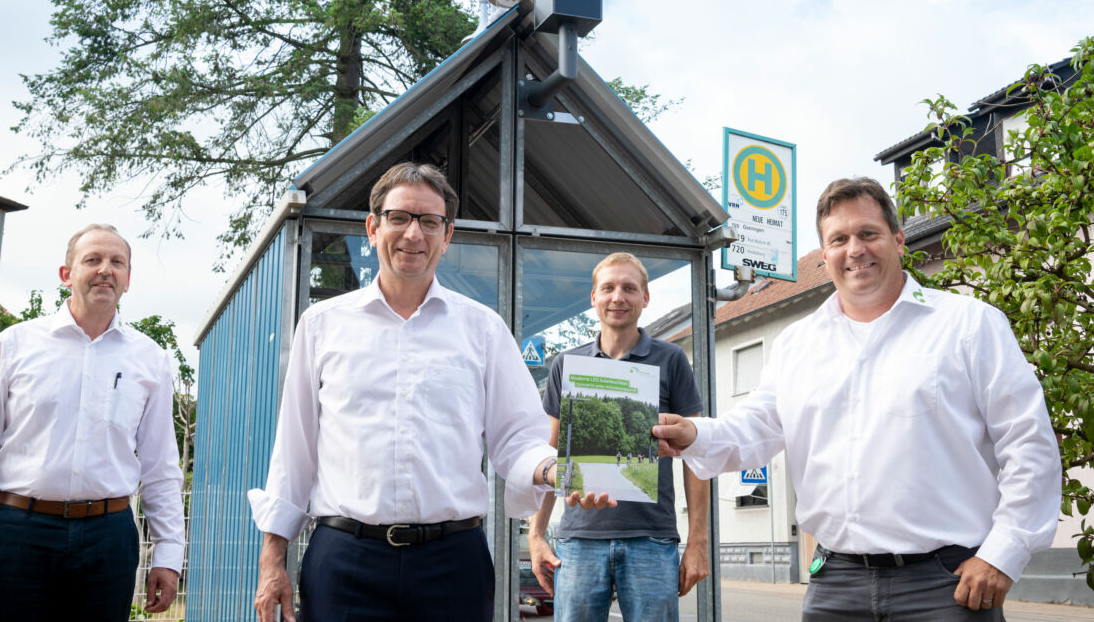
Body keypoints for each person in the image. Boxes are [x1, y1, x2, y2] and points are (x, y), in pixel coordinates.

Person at [653, 178, 1062, 621]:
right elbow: (757, 426)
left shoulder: (969, 325)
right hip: (835, 586)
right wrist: (693, 433)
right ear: (825, 253)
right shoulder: (798, 343)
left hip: (945, 584)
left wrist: (1004, 552)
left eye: (868, 233)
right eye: (839, 239)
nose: (855, 249)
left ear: (898, 239)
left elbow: (1029, 443)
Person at [249, 162, 610, 622]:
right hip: (345, 561)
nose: (413, 234)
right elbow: (294, 452)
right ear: (373, 227)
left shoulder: (483, 330)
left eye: (429, 222)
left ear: (447, 235)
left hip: (452, 566)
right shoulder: (322, 326)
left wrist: (551, 469)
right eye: (399, 217)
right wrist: (272, 560)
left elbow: (517, 436)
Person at [0, 224, 185, 622]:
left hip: (109, 539)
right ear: (66, 275)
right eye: (93, 260)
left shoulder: (149, 358)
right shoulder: (16, 344)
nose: (106, 269)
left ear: (128, 280)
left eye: (116, 262)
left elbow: (160, 466)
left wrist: (169, 555)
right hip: (18, 534)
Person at [529, 252, 710, 622]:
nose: (618, 297)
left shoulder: (672, 359)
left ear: (645, 298)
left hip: (652, 539)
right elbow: (548, 453)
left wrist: (698, 540)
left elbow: (698, 454)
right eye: (608, 288)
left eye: (629, 288)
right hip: (577, 540)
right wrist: (536, 534)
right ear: (593, 297)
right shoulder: (566, 364)